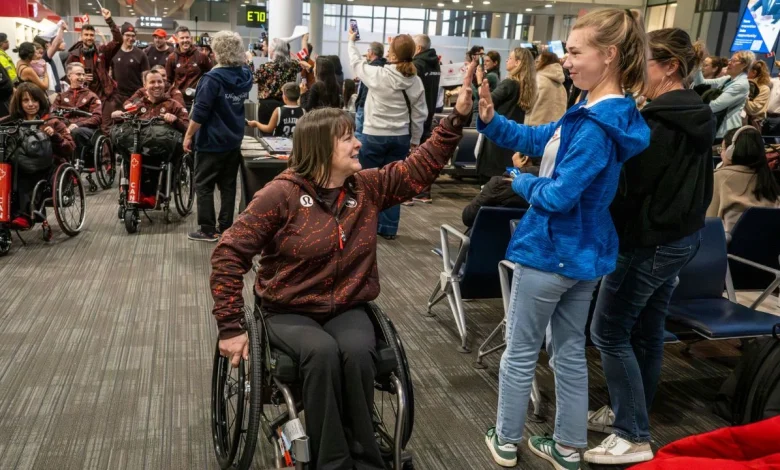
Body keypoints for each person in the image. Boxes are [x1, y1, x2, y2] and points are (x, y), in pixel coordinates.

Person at [210, 58, 475, 470]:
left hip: (348, 305)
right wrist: (230, 326)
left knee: (355, 350)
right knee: (320, 353)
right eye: (348, 139)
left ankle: (366, 458)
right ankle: (332, 461)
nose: (359, 145)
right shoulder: (278, 196)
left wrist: (456, 120)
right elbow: (229, 253)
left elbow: (419, 169)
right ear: (321, 149)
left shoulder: (365, 189)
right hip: (289, 308)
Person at [478, 9, 650, 469]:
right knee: (569, 353)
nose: (566, 60)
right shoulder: (594, 111)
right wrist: (492, 120)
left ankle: (506, 440)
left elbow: (557, 195)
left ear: (609, 55)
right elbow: (541, 139)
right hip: (582, 256)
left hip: (552, 252)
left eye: (575, 52)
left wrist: (519, 181)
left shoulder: (597, 125)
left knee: (521, 353)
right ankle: (569, 447)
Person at [584, 28, 716, 466]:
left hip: (648, 242)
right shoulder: (696, 111)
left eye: (644, 64)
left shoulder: (658, 122)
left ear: (670, 66)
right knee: (646, 332)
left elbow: (631, 188)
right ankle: (631, 412)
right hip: (679, 239)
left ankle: (632, 433)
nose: (636, 74)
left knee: (608, 332)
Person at [348, 32, 427, 240]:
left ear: (391, 55)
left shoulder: (379, 74)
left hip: (374, 135)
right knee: (394, 184)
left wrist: (351, 41)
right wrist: (415, 141)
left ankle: (367, 226)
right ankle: (389, 228)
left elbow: (356, 63)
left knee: (369, 182)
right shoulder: (415, 81)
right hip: (401, 137)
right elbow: (420, 114)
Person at [184, 31, 253, 242]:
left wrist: (188, 136)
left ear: (217, 52)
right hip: (233, 139)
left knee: (203, 185)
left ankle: (207, 229)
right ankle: (226, 227)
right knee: (228, 185)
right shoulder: (245, 75)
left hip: (211, 142)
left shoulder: (212, 79)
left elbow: (200, 113)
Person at [112, 68, 190, 208]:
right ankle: (133, 194)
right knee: (127, 158)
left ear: (164, 83)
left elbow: (187, 126)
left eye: (159, 82)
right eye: (152, 82)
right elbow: (125, 118)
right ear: (145, 85)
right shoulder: (137, 105)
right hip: (139, 150)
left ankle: (155, 195)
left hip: (163, 153)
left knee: (161, 160)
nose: (156, 85)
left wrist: (175, 120)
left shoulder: (173, 105)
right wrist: (118, 116)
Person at [3, 83, 75, 230]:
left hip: (49, 165)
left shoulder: (53, 121)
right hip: (17, 164)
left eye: (34, 100)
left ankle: (24, 215)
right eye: (25, 100)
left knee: (28, 172)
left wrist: (55, 137)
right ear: (19, 103)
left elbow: (70, 147)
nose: (31, 104)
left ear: (40, 101)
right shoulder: (10, 122)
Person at [476, 47, 536, 182]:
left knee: (491, 179)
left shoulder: (509, 83)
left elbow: (486, 102)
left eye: (510, 58)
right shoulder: (526, 85)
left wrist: (479, 81)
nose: (507, 60)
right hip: (512, 136)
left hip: (497, 135)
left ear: (518, 63)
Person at [707, 126, 780, 232]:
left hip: (729, 246)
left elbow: (708, 222)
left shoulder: (719, 177)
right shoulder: (767, 176)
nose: (721, 153)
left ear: (730, 152)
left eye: (721, 150)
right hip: (768, 247)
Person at [65, 9, 121, 109]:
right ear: (81, 36)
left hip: (103, 98)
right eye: (86, 35)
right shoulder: (74, 56)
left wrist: (109, 20)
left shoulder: (102, 51)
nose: (89, 37)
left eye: (91, 35)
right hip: (82, 100)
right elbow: (67, 78)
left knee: (105, 125)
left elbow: (118, 41)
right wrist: (80, 78)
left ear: (94, 37)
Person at [461, 152, 534, 228]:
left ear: (525, 158)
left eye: (515, 152)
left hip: (491, 238)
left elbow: (468, 217)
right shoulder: (545, 186)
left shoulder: (499, 184)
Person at [693, 50, 753, 138]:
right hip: (717, 123)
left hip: (726, 130)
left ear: (744, 65)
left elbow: (715, 106)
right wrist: (698, 65)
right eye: (730, 60)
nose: (729, 63)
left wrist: (693, 111)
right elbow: (701, 82)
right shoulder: (728, 78)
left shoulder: (741, 84)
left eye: (733, 61)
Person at [410, 33, 441, 204]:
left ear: (419, 48)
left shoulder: (416, 65)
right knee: (423, 154)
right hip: (429, 113)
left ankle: (414, 190)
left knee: (413, 155)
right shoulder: (435, 64)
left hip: (416, 115)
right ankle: (424, 191)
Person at [105, 22, 150, 131]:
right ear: (122, 36)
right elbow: (108, 73)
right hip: (118, 97)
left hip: (135, 97)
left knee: (134, 124)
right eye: (127, 35)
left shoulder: (141, 54)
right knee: (117, 124)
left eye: (133, 35)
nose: (131, 38)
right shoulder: (114, 53)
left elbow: (146, 76)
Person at [51, 63, 103, 157]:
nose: (82, 77)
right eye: (78, 74)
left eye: (83, 75)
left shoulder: (91, 96)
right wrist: (62, 126)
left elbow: (97, 117)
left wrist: (77, 124)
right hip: (64, 127)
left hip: (85, 129)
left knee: (76, 132)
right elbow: (52, 114)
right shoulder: (61, 96)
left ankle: (77, 161)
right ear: (69, 76)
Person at [253, 38, 301, 124]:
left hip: (268, 106)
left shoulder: (266, 67)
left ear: (275, 51)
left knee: (267, 134)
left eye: (271, 48)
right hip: (286, 104)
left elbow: (253, 79)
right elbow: (302, 61)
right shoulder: (293, 66)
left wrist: (250, 61)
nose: (269, 51)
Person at [165, 26, 212, 110]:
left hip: (198, 102)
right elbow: (168, 81)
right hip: (179, 102)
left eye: (187, 37)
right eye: (182, 38)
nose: (185, 40)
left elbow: (211, 77)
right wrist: (173, 95)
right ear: (177, 39)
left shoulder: (201, 56)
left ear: (191, 38)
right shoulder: (172, 58)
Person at [353, 42, 386, 139]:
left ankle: (360, 154)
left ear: (371, 52)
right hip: (378, 107)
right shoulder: (385, 66)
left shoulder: (370, 68)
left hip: (365, 106)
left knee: (359, 133)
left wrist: (360, 104)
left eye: (368, 51)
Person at [526, 51, 568, 126]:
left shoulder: (537, 80)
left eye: (537, 61)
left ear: (543, 62)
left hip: (535, 129)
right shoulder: (562, 86)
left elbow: (527, 105)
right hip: (554, 129)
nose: (535, 64)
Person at [745, 60, 771, 130]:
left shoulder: (764, 89)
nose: (744, 72)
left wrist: (742, 97)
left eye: (746, 70)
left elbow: (753, 109)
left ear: (754, 73)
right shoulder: (744, 84)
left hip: (751, 125)